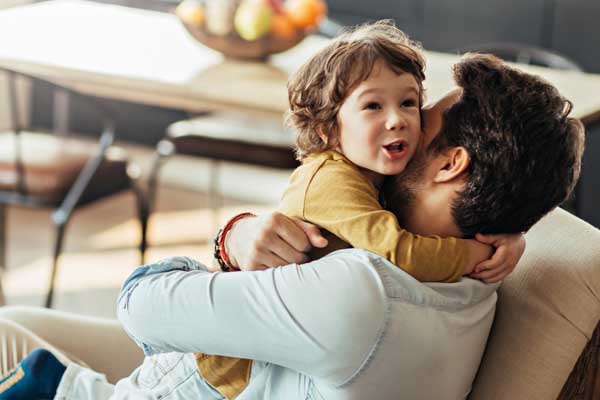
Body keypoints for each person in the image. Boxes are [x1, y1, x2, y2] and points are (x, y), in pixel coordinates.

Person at [0, 54, 584, 400]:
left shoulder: (361, 293)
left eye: (418, 120)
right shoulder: (482, 275)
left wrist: (229, 244)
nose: (398, 130)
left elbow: (140, 308)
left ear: (452, 165)